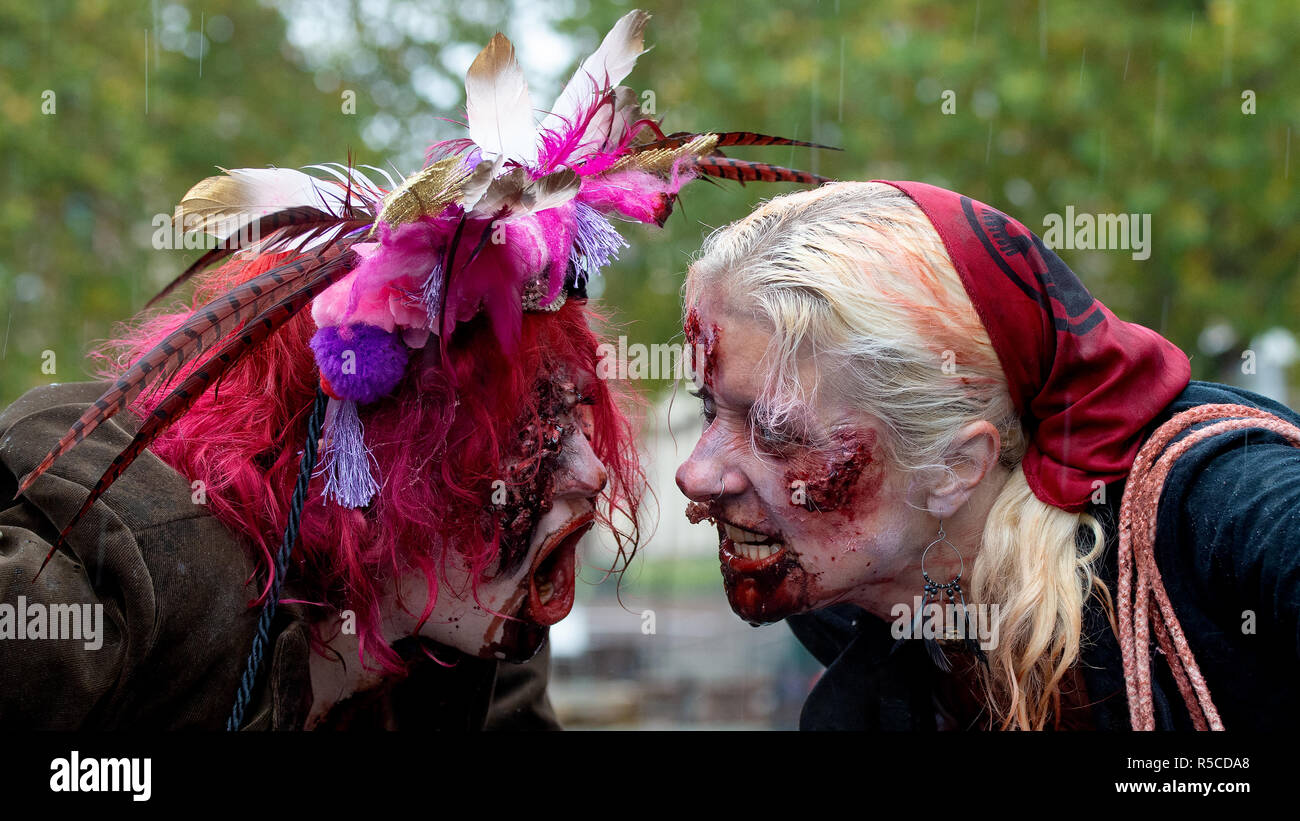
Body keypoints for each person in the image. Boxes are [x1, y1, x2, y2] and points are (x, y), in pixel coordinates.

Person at [0, 9, 821, 730]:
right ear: (391, 456)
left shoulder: (465, 643)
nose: (594, 468)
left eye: (580, 422)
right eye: (535, 429)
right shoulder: (125, 567)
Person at [675, 179, 1300, 731]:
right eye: (710, 409)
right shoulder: (840, 593)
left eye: (775, 430)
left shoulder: (1231, 509)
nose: (694, 474)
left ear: (956, 466)